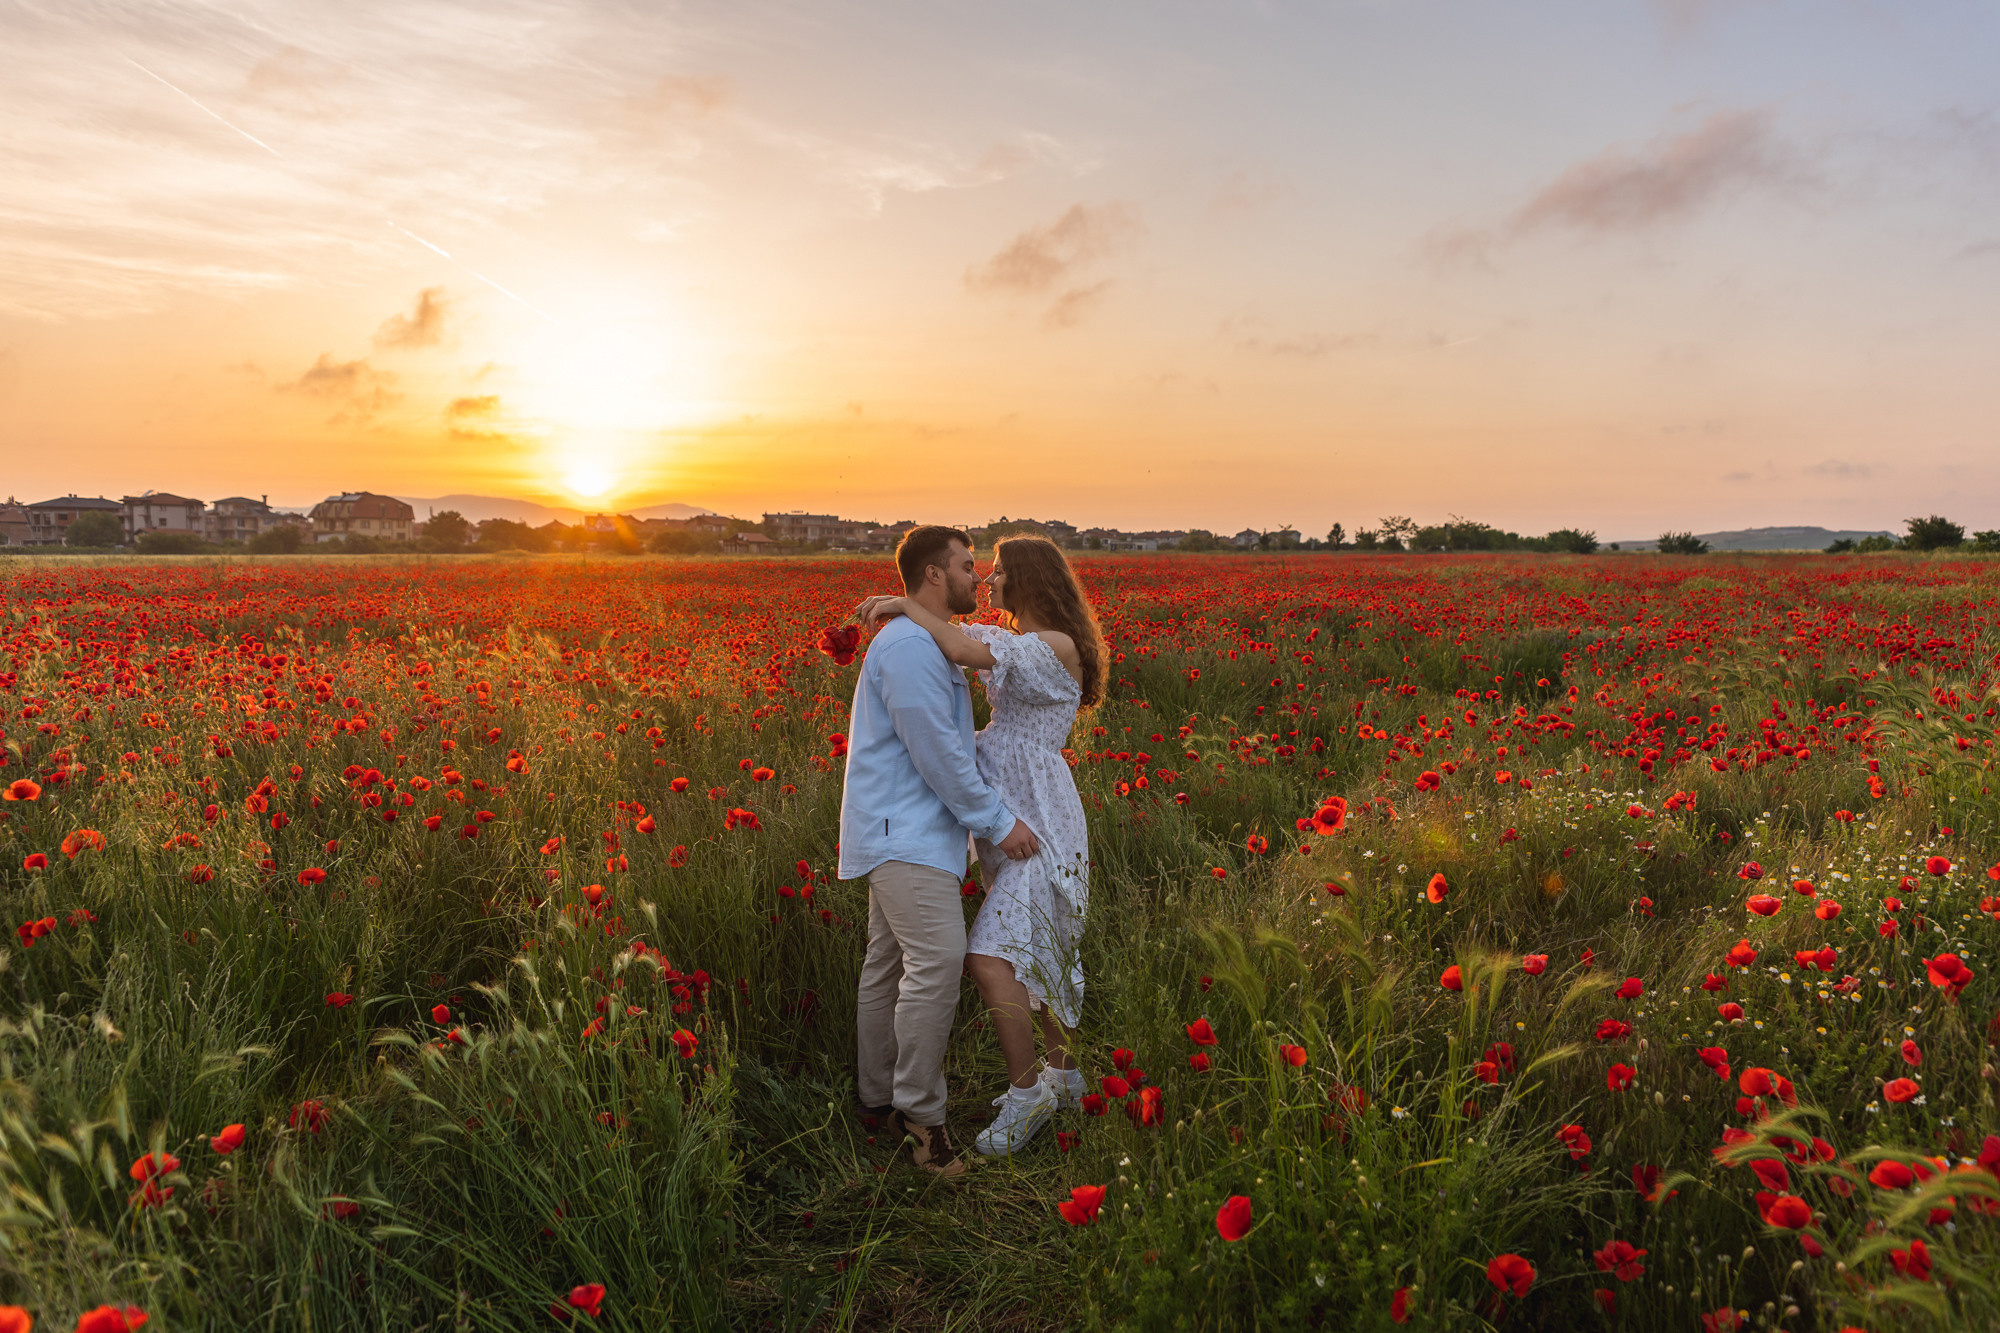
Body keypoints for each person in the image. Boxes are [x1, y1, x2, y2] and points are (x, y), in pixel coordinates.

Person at [856, 534, 1106, 1157]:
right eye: (977, 569)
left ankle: (1028, 1097)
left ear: (1028, 579)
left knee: (993, 956)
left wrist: (905, 604)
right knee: (1039, 945)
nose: (988, 581)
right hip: (1013, 812)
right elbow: (951, 650)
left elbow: (961, 646)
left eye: (996, 571)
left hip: (1035, 817)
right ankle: (1065, 1077)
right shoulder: (1024, 644)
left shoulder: (1052, 644)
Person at [840, 525, 1042, 1177]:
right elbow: (939, 754)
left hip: (908, 829)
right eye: (966, 564)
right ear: (934, 574)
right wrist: (999, 822)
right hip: (906, 832)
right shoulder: (908, 648)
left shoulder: (921, 638)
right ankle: (922, 1119)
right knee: (936, 960)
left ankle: (878, 1098)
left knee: (888, 963)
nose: (977, 576)